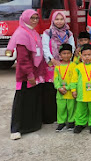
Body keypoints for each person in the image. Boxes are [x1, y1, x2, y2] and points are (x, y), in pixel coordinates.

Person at [6, 9, 48, 140]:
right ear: (25, 18)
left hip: (36, 73)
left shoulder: (32, 32)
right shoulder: (21, 34)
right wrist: (30, 75)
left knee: (32, 99)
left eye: (36, 18)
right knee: (21, 100)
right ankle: (16, 129)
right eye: (32, 18)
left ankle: (31, 125)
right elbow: (23, 59)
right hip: (26, 75)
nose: (35, 20)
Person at [71, 44, 91, 134]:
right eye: (84, 55)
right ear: (81, 55)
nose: (87, 57)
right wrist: (73, 90)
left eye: (89, 55)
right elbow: (74, 80)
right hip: (81, 93)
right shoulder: (78, 67)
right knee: (81, 110)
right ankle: (80, 123)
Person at [54, 44, 76, 132]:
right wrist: (59, 87)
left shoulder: (74, 65)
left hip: (70, 92)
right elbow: (56, 79)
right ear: (60, 55)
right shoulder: (57, 66)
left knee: (71, 107)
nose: (66, 55)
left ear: (71, 54)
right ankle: (61, 122)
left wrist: (67, 87)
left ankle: (71, 121)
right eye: (64, 53)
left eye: (68, 53)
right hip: (60, 93)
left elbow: (74, 79)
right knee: (61, 108)